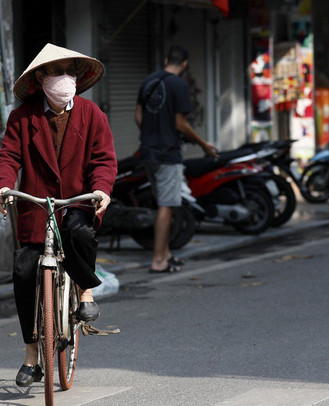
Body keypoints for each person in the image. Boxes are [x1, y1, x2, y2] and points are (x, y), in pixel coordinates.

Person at [0, 43, 117, 387]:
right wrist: (4, 186)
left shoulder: (92, 114)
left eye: (70, 71)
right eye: (56, 71)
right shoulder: (22, 117)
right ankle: (31, 356)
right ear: (40, 78)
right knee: (23, 271)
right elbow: (8, 157)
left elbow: (104, 160)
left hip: (77, 203)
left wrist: (101, 190)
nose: (64, 78)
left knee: (81, 235)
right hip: (36, 207)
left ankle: (85, 293)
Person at [135, 45, 217, 274]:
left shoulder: (148, 81)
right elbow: (181, 123)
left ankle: (167, 253)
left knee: (164, 201)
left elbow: (138, 116)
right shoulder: (179, 84)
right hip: (167, 154)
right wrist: (204, 145)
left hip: (148, 152)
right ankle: (158, 260)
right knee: (167, 205)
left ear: (165, 59)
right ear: (184, 64)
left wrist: (151, 135)